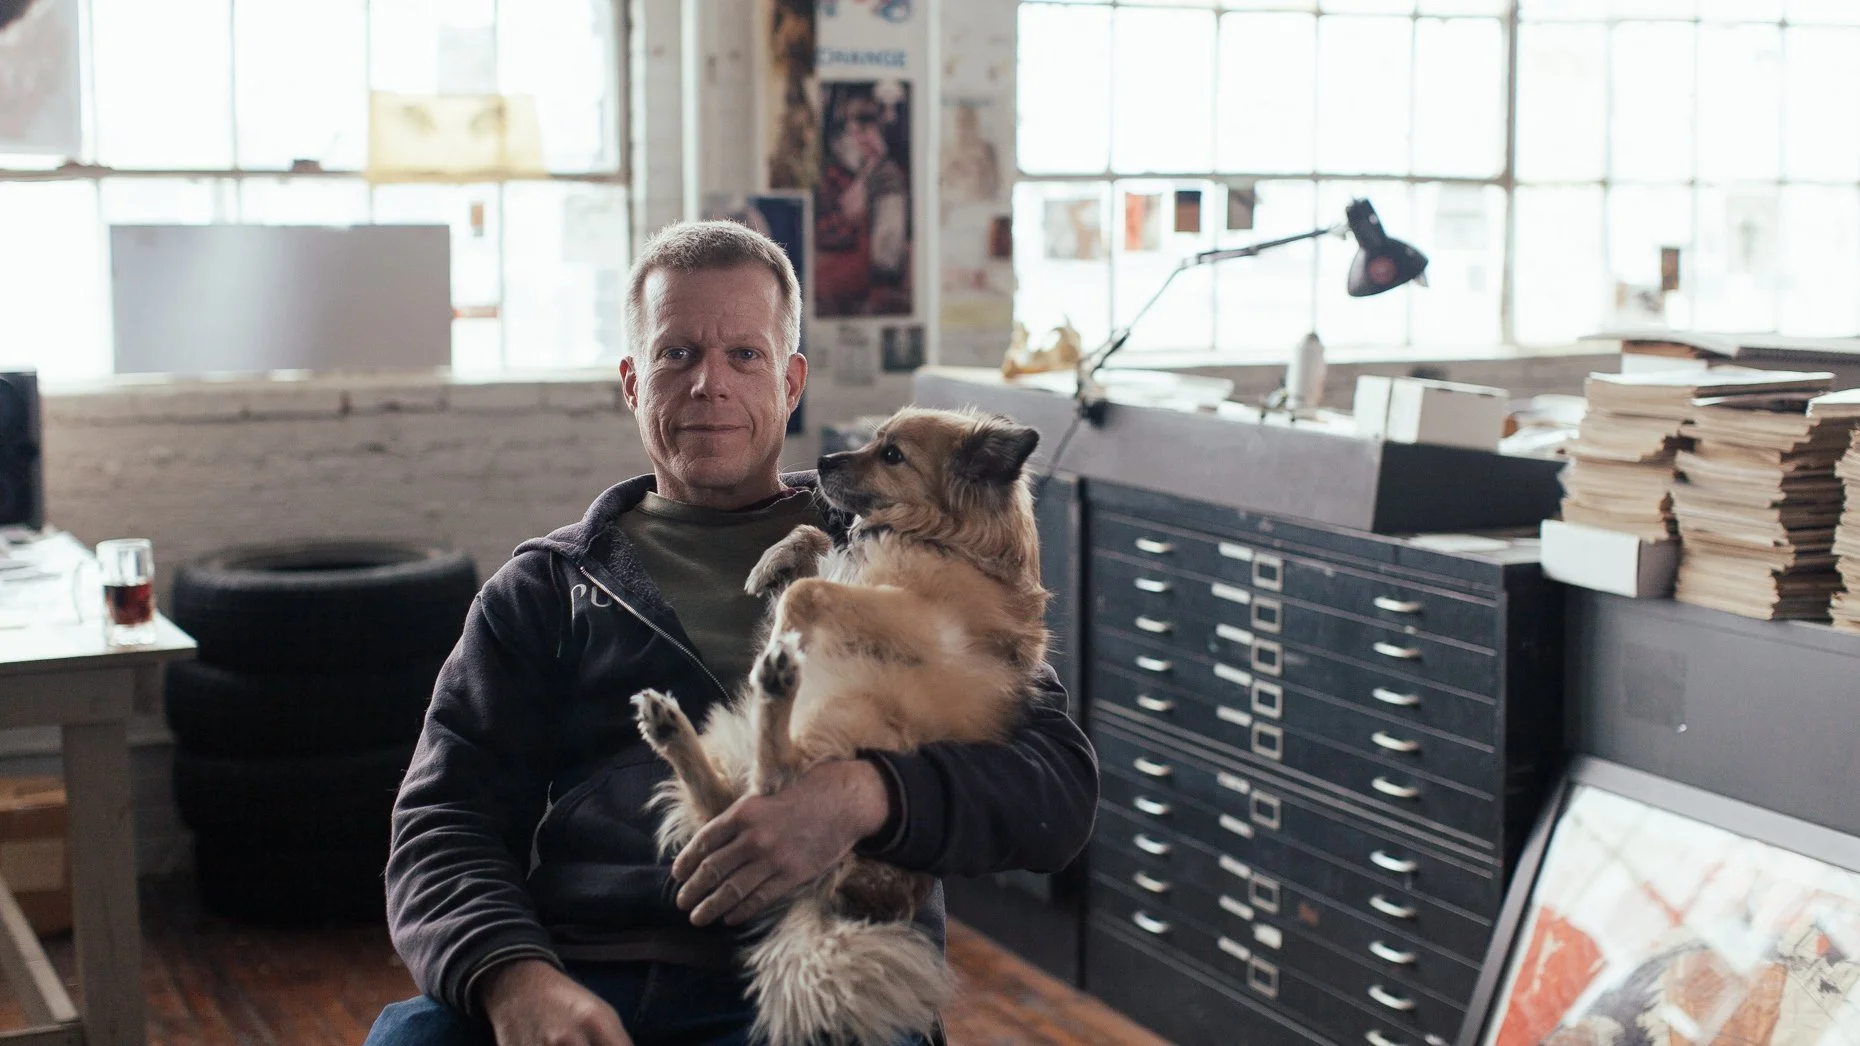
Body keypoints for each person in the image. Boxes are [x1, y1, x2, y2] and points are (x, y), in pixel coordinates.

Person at [362, 219, 1099, 1046]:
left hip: (828, 973)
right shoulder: (543, 590)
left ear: (791, 382)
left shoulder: (925, 563)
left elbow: (1056, 788)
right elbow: (442, 824)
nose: (709, 384)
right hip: (583, 968)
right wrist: (512, 981)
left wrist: (866, 797)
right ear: (633, 383)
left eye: (744, 356)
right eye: (677, 355)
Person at [816, 89, 911, 317]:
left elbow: (890, 258)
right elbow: (844, 217)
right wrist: (868, 172)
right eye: (849, 122)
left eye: (867, 121)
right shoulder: (830, 173)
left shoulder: (891, 175)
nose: (856, 131)